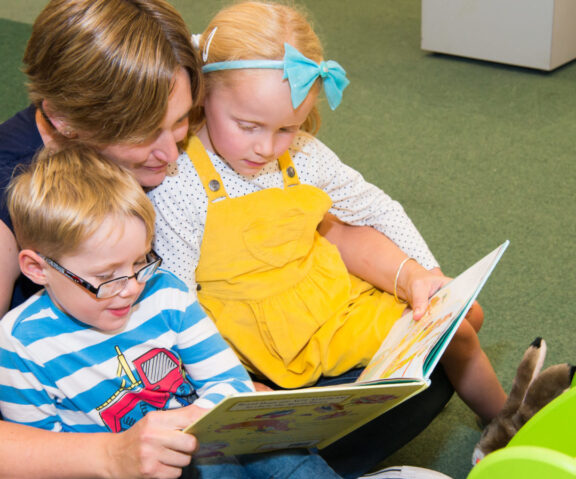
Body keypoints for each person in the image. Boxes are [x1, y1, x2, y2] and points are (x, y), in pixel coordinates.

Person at [0, 1, 463, 479]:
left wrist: (416, 281)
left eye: (183, 122)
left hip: (205, 400)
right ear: (68, 122)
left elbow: (328, 222)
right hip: (95, 451)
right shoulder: (12, 190)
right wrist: (114, 456)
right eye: (147, 136)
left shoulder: (172, 119)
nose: (173, 155)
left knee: (433, 359)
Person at [0, 144, 414, 479]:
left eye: (141, 261)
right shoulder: (20, 344)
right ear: (36, 268)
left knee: (271, 446)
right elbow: (53, 463)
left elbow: (229, 382)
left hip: (200, 444)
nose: (130, 287)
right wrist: (140, 477)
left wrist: (199, 425)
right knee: (210, 473)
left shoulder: (165, 293)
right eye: (106, 277)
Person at [149, 2, 507, 431]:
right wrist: (228, 380)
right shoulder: (177, 176)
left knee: (458, 328)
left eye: (286, 128)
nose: (267, 147)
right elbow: (178, 297)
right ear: (203, 96)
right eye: (248, 125)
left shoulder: (303, 154)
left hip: (326, 305)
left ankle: (509, 425)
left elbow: (374, 206)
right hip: (245, 337)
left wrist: (426, 275)